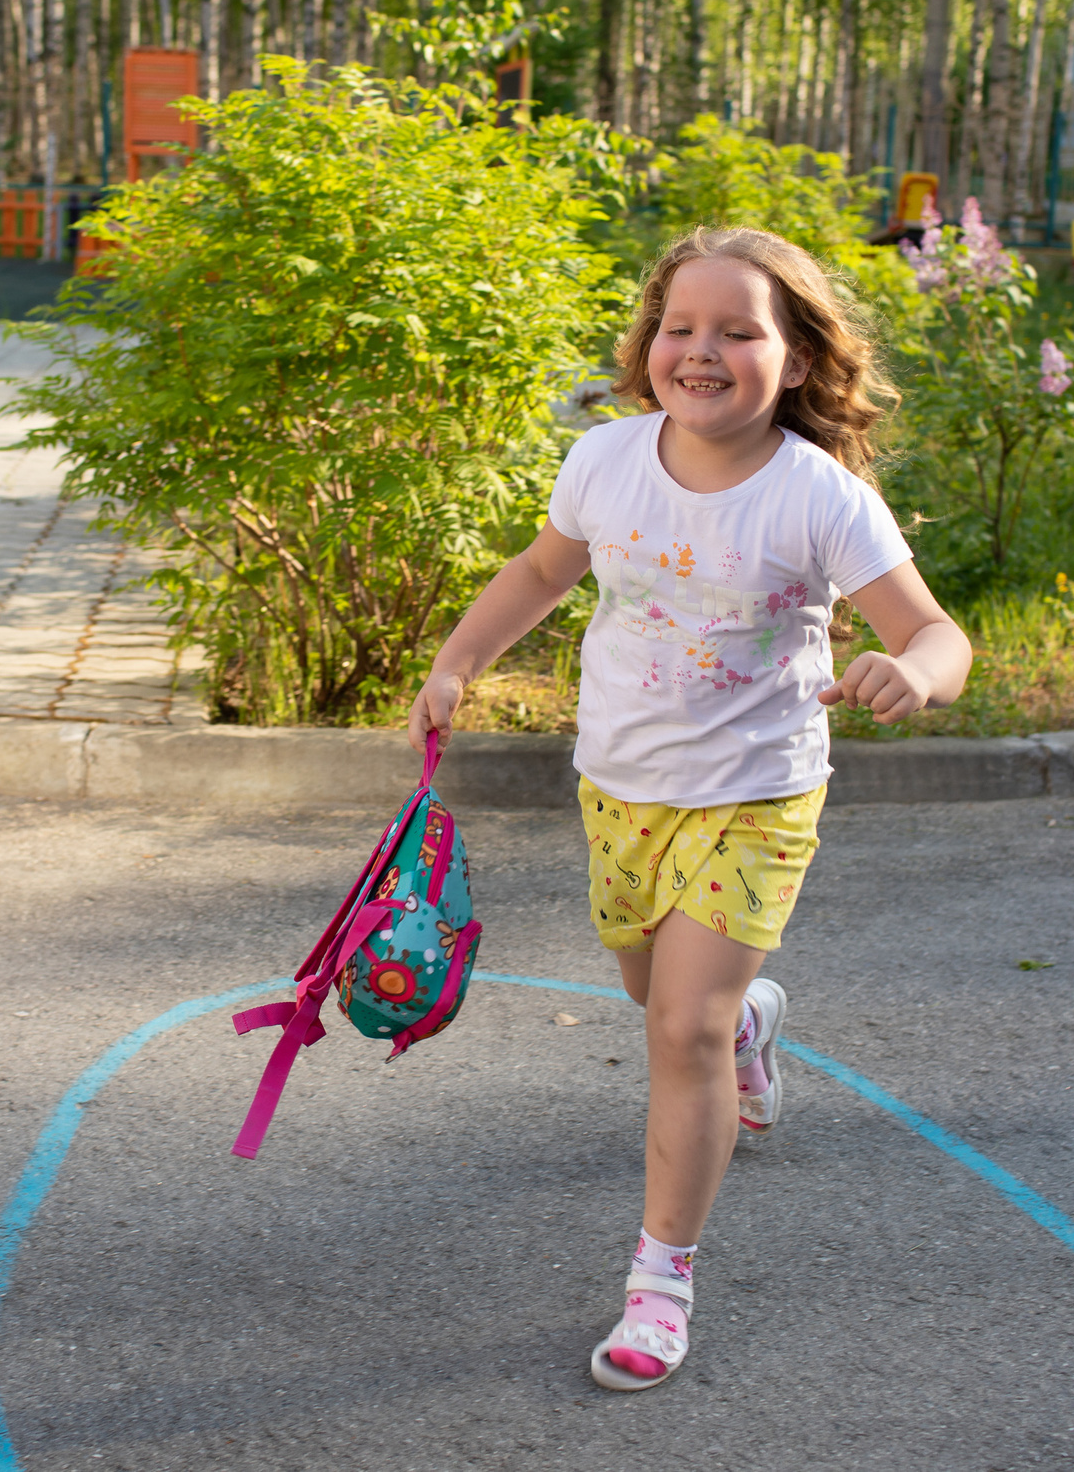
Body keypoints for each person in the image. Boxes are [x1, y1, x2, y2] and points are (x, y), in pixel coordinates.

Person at [404, 226, 972, 1391]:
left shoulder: (821, 497)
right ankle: (750, 1025)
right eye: (679, 327)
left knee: (679, 1029)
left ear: (798, 361)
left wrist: (912, 671)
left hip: (757, 796)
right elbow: (538, 574)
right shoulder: (607, 461)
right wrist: (458, 663)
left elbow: (934, 631)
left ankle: (660, 1279)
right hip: (619, 787)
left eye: (736, 330)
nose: (699, 351)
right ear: (647, 346)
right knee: (649, 993)